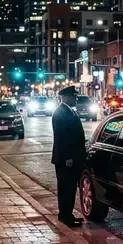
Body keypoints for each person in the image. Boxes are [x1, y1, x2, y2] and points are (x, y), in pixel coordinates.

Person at [51, 86, 85, 227]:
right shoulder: (61, 113)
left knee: (69, 188)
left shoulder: (67, 111)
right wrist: (68, 158)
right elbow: (62, 139)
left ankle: (66, 214)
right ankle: (65, 216)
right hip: (66, 159)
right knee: (66, 188)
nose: (75, 99)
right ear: (65, 97)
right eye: (73, 97)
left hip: (69, 158)